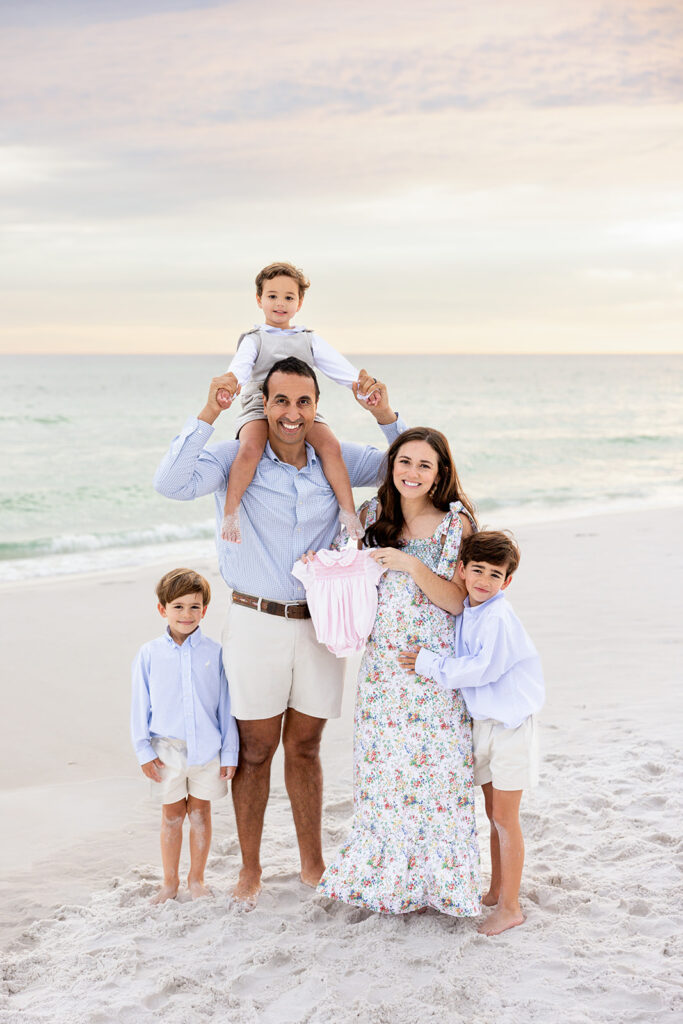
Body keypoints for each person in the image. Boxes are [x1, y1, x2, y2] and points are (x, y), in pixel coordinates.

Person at [153, 357, 406, 904]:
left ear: (317, 407)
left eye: (304, 402)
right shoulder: (234, 460)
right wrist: (208, 412)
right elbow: (170, 483)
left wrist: (386, 414)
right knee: (256, 749)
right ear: (264, 405)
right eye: (281, 401)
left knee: (307, 746)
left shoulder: (334, 460)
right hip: (254, 621)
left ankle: (312, 865)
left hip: (320, 625)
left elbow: (414, 466)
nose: (292, 414)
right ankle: (251, 870)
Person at [317, 427, 482, 917]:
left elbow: (458, 602)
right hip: (383, 671)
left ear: (440, 475)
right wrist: (319, 563)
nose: (412, 472)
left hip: (433, 671)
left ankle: (441, 886)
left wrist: (411, 565)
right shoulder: (370, 516)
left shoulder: (457, 526)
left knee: (437, 777)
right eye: (404, 462)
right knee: (385, 778)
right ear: (392, 466)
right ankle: (387, 882)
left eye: (424, 465)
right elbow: (342, 568)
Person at [398, 531, 545, 935]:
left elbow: (483, 668)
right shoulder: (471, 610)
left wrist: (430, 664)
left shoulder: (497, 616)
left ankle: (511, 906)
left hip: (510, 726)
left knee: (505, 817)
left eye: (494, 574)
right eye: (476, 570)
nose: (483, 580)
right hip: (485, 724)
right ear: (461, 570)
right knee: (491, 812)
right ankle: (497, 888)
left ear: (506, 582)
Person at [215, 261, 380, 543]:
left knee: (330, 445)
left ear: (299, 302)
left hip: (300, 408)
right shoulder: (255, 339)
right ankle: (231, 512)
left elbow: (336, 366)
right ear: (259, 299)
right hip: (259, 404)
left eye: (289, 297)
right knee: (251, 447)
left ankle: (348, 511)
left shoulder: (307, 339)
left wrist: (360, 385)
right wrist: (231, 385)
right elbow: (240, 368)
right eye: (272, 296)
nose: (280, 304)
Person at [130, 568, 239, 904]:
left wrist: (230, 754)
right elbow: (139, 705)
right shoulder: (149, 654)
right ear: (162, 609)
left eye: (194, 607)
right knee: (172, 816)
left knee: (200, 814)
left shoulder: (215, 652)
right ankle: (169, 882)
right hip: (166, 751)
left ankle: (197, 879)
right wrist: (143, 751)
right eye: (178, 607)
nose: (187, 614)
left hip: (208, 751)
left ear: (204, 610)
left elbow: (226, 706)